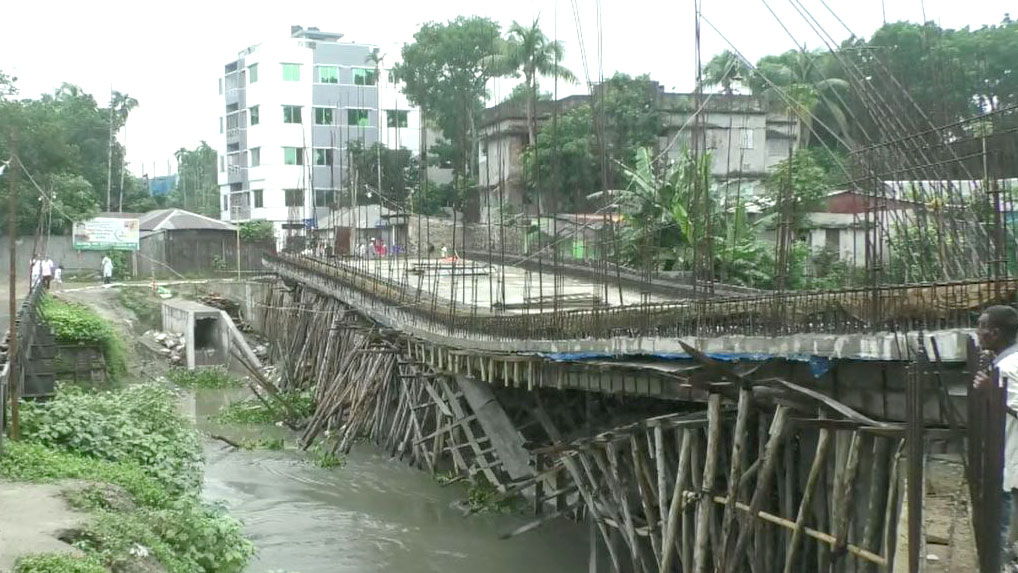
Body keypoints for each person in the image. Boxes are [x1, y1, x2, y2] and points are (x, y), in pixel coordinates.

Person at [974, 305, 1018, 561]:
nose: (978, 332)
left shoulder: (1008, 368)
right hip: (1004, 459)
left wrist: (992, 390)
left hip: (1008, 462)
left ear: (996, 332)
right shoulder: (1004, 362)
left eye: (981, 326)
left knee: (1002, 539)